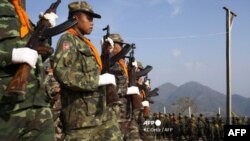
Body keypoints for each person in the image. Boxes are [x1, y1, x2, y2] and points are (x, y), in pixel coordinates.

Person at [53, 1, 122, 140]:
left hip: (98, 114)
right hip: (81, 120)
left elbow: (93, 70)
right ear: (75, 18)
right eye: (88, 18)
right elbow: (62, 73)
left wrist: (104, 54)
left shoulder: (85, 43)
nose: (92, 23)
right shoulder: (68, 40)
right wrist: (97, 80)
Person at [0, 0, 57, 140]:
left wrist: (44, 30)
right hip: (6, 108)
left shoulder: (23, 17)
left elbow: (38, 57)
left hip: (37, 104)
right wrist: (10, 55)